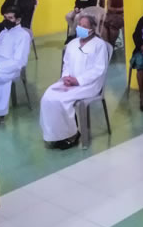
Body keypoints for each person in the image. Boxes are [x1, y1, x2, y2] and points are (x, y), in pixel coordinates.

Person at [40, 15, 109, 150]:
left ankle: (72, 135)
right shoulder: (72, 44)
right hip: (69, 81)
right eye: (79, 25)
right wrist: (66, 77)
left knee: (62, 100)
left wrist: (78, 80)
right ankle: (56, 135)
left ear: (92, 29)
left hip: (89, 84)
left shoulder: (99, 45)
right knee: (48, 97)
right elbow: (66, 64)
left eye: (85, 26)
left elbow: (99, 69)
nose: (80, 28)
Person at [0, 6, 32, 124]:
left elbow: (19, 61)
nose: (6, 21)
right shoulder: (3, 32)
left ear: (18, 19)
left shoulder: (23, 35)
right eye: (5, 18)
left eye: (10, 18)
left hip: (10, 68)